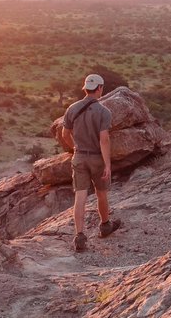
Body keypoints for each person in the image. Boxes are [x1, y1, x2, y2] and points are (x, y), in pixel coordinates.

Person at [61, 74, 122, 252]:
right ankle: (104, 226)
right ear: (100, 88)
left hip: (79, 157)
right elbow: (104, 140)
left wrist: (75, 149)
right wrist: (108, 164)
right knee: (101, 193)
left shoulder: (72, 108)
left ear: (85, 88)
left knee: (80, 197)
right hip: (97, 158)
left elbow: (65, 134)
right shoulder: (104, 112)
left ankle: (79, 236)